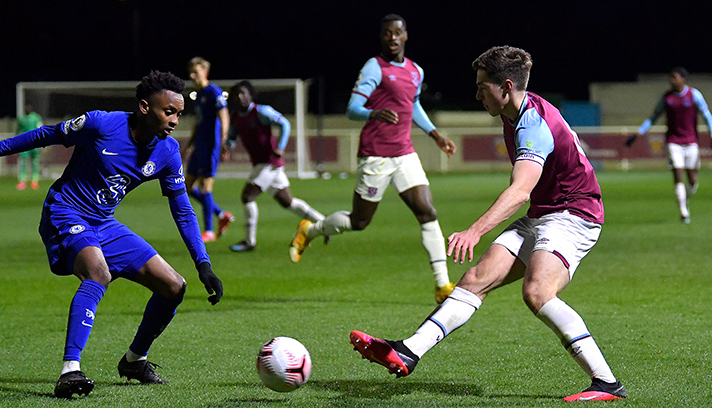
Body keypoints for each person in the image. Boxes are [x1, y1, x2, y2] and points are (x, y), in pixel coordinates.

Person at [350, 46, 628, 402]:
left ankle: (606, 383)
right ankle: (408, 351)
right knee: (475, 280)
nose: (477, 94)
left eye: (482, 87)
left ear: (506, 86)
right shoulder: (516, 112)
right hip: (545, 212)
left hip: (574, 214)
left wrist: (475, 230)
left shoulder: (532, 123)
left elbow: (520, 191)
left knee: (538, 292)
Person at [0, 71, 224, 398]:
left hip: (104, 223)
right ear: (145, 107)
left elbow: (183, 209)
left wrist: (203, 263)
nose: (176, 120)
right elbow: (43, 135)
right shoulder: (101, 125)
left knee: (174, 286)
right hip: (65, 212)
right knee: (97, 272)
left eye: (179, 113)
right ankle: (70, 370)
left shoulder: (168, 151)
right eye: (169, 112)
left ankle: (135, 360)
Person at [288, 14, 457, 303]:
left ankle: (442, 286)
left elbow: (413, 104)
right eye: (386, 33)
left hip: (404, 153)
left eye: (397, 33)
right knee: (360, 221)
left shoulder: (416, 71)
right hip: (376, 154)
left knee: (427, 212)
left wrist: (434, 134)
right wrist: (374, 113)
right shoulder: (374, 67)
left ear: (405, 36)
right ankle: (311, 229)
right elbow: (353, 108)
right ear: (382, 37)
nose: (392, 37)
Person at [223, 80, 326, 252]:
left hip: (269, 163)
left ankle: (250, 242)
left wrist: (280, 147)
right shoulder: (235, 117)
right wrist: (228, 146)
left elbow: (284, 123)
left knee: (247, 197)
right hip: (262, 164)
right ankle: (324, 225)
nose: (240, 97)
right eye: (236, 95)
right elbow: (233, 135)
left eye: (243, 93)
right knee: (288, 202)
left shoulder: (261, 111)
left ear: (250, 95)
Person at [626, 67, 712, 224]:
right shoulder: (667, 98)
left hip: (691, 142)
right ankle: (683, 211)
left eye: (675, 77)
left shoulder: (694, 95)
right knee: (677, 173)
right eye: (670, 78)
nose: (672, 81)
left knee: (692, 178)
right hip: (673, 141)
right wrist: (638, 133)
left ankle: (685, 198)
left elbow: (707, 116)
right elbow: (653, 117)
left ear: (683, 79)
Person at [186, 57, 234, 242]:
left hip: (211, 145)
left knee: (205, 187)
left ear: (205, 73)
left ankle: (209, 231)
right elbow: (198, 123)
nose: (192, 76)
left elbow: (224, 116)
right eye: (190, 72)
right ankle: (221, 214)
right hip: (199, 145)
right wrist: (190, 144)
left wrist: (223, 142)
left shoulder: (214, 92)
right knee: (187, 187)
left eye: (195, 72)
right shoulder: (198, 95)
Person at [15, 104, 44, 190]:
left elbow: (41, 129)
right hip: (25, 144)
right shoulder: (22, 119)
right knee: (23, 162)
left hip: (34, 144)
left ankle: (34, 181)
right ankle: (23, 181)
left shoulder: (35, 117)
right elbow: (18, 131)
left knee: (34, 162)